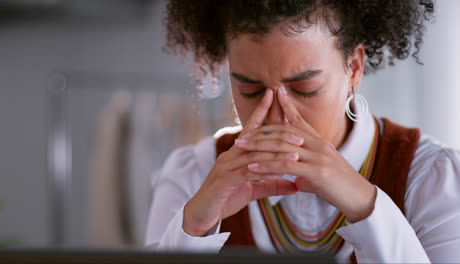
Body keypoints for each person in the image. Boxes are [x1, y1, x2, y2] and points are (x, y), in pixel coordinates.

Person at [145, 0, 460, 263]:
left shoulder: (431, 177)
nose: (277, 115)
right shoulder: (193, 174)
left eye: (304, 88)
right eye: (250, 90)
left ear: (354, 68)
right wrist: (193, 230)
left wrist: (366, 206)